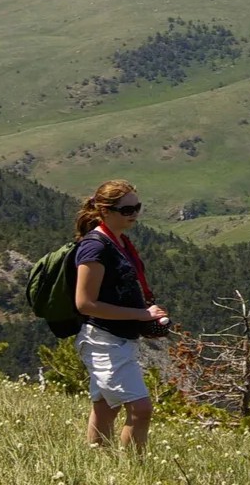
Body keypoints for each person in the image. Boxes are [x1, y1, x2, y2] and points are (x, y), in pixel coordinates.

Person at [72, 179, 168, 453]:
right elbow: (85, 303)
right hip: (103, 340)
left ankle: (100, 461)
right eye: (126, 210)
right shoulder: (95, 247)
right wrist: (141, 314)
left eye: (137, 207)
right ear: (105, 210)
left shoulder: (119, 241)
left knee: (105, 406)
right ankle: (133, 469)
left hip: (115, 338)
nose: (134, 214)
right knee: (141, 409)